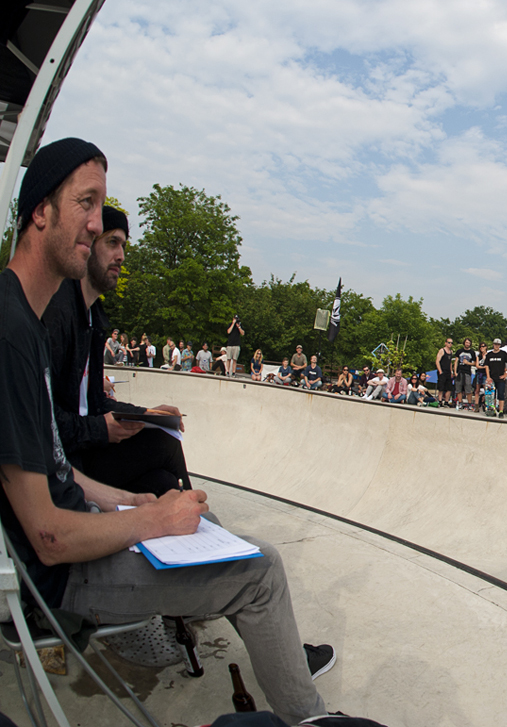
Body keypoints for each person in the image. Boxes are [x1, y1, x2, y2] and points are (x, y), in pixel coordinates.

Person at [0, 138, 334, 724]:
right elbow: (48, 536)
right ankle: (313, 718)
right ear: (39, 212)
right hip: (60, 578)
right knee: (261, 570)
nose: (96, 223)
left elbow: (50, 465)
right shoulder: (11, 335)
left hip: (77, 537)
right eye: (86, 203)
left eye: (101, 208)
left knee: (183, 498)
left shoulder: (20, 321)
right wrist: (154, 522)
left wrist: (130, 504)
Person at [41, 203, 192, 497]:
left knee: (161, 482)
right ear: (87, 246)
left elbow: (95, 402)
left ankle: (185, 518)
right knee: (164, 444)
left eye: (123, 245)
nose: (121, 256)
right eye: (112, 242)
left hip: (86, 447)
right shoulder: (58, 313)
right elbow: (42, 419)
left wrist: (147, 413)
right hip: (67, 461)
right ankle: (200, 523)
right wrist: (101, 430)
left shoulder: (93, 318)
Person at [482, 339, 507, 413]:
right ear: (493, 344)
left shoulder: (503, 353)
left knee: (501, 395)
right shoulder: (489, 354)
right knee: (492, 395)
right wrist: (488, 377)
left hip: (500, 378)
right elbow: (486, 366)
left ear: (500, 345)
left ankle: (501, 411)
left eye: (498, 345)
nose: (496, 346)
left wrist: (506, 373)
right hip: (492, 378)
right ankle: (493, 410)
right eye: (495, 344)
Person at [454, 339, 478, 410]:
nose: (467, 344)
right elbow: (456, 361)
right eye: (466, 342)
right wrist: (455, 371)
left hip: (467, 372)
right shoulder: (459, 351)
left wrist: (468, 363)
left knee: (468, 388)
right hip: (459, 371)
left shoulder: (472, 352)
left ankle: (469, 403)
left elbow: (475, 363)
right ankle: (460, 402)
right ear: (464, 343)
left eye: (469, 343)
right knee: (458, 388)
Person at [434, 337, 455, 406]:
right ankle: (440, 400)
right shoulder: (442, 351)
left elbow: (450, 362)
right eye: (449, 342)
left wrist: (451, 371)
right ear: (445, 343)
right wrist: (440, 371)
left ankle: (446, 401)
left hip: (448, 371)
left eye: (451, 343)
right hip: (442, 370)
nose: (450, 344)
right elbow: (437, 361)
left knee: (449, 387)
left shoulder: (451, 352)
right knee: (441, 387)